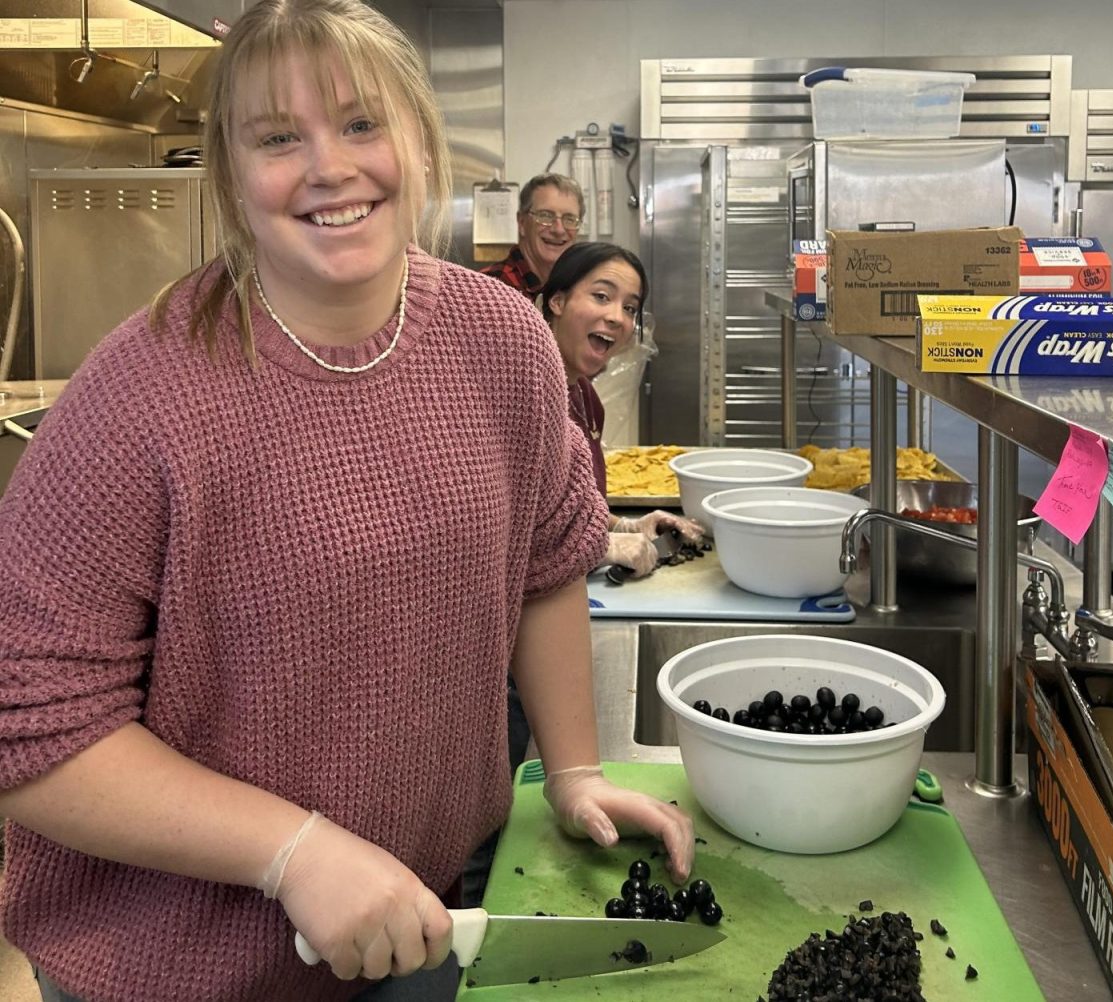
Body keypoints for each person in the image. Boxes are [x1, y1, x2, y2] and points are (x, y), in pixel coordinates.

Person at [0, 3, 694, 1001]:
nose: (330, 166)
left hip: (428, 923)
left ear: (417, 137)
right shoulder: (143, 391)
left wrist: (575, 772)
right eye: (279, 138)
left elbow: (548, 564)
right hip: (177, 969)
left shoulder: (502, 343)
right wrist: (294, 853)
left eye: (361, 123)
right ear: (232, 177)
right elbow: (32, 729)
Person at [542, 242, 704, 578]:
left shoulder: (584, 397)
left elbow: (567, 510)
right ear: (557, 301)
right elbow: (509, 529)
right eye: (601, 296)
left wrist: (626, 526)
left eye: (630, 308)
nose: (618, 317)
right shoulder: (524, 394)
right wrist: (604, 547)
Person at [481, 173, 584, 299]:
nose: (558, 229)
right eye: (545, 215)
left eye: (569, 219)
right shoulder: (488, 288)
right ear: (522, 223)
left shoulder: (578, 288)